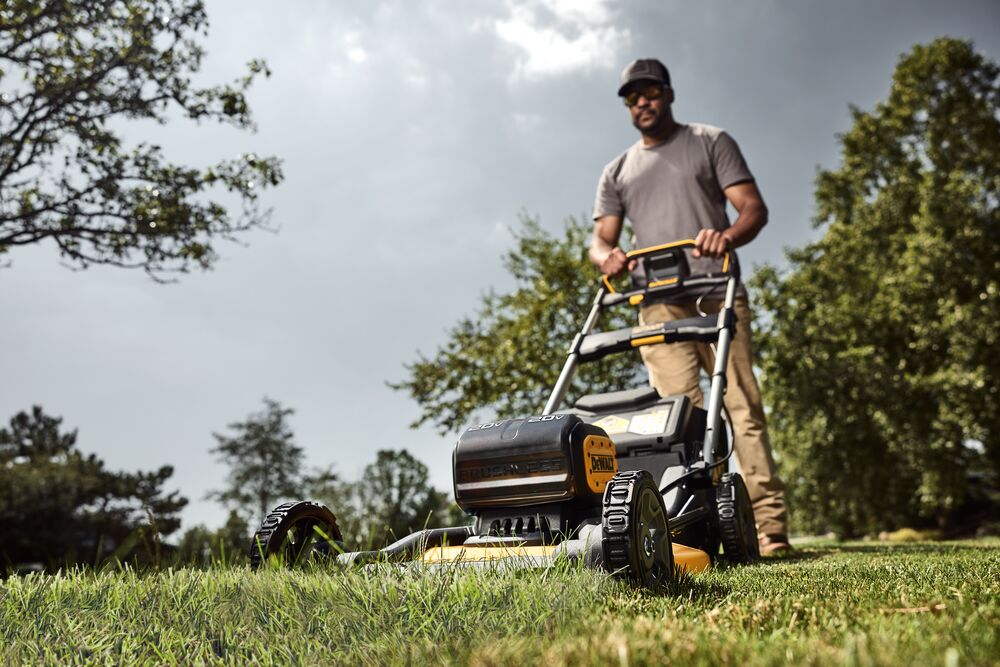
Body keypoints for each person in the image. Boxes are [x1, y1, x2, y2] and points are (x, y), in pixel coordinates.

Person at [589, 58, 790, 554]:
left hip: (715, 291)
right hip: (656, 305)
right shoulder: (617, 171)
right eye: (632, 97)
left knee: (741, 406)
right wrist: (607, 257)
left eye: (650, 92)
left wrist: (726, 236)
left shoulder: (709, 141)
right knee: (681, 419)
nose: (642, 102)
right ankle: (704, 525)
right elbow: (600, 240)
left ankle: (769, 527)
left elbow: (752, 208)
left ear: (669, 93)